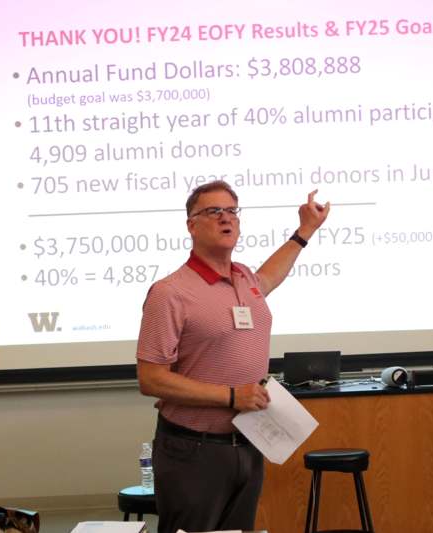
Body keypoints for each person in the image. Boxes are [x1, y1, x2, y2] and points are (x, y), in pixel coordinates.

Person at [136, 181, 330, 533]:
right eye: (213, 211)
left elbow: (271, 274)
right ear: (191, 225)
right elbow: (151, 379)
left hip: (248, 444)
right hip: (193, 450)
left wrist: (304, 232)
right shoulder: (170, 293)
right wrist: (230, 396)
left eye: (231, 211)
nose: (225, 218)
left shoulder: (245, 279)